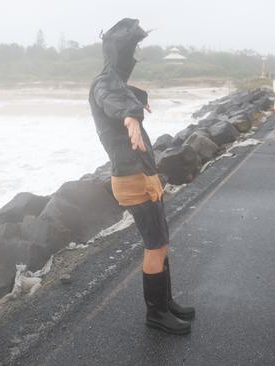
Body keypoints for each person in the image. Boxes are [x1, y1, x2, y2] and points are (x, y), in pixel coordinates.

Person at [89, 18, 195, 334]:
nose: (134, 56)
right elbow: (112, 100)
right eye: (131, 49)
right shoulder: (103, 84)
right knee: (154, 244)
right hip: (132, 178)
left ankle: (167, 303)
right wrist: (132, 117)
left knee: (161, 241)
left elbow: (124, 91)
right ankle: (156, 314)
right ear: (116, 52)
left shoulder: (114, 82)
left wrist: (139, 99)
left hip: (143, 174)